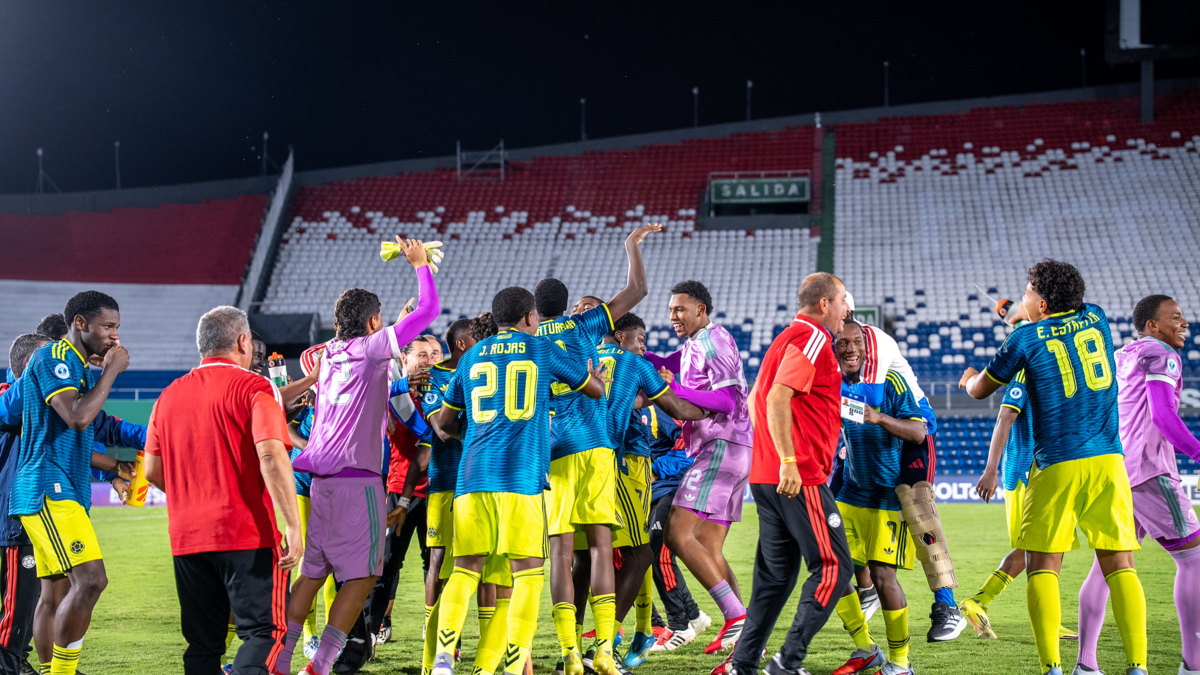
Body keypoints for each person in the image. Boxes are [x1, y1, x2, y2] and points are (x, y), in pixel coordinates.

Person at [960, 259, 1146, 675]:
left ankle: (1053, 669)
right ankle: (1137, 667)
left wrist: (969, 377)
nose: (1022, 296)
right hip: (1109, 461)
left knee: (1043, 566)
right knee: (1120, 564)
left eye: (1027, 292)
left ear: (1042, 303)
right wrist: (1023, 312)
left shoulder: (1023, 340)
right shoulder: (1095, 317)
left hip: (1057, 463)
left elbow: (979, 391)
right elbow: (1054, 324)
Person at [274, 238, 440, 675]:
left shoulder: (327, 355)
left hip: (320, 479)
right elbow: (428, 313)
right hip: (357, 479)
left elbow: (375, 385)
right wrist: (420, 265)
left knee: (313, 572)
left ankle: (282, 659)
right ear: (372, 322)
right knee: (365, 574)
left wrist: (396, 324)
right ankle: (322, 664)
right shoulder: (371, 349)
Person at [431, 286, 606, 675]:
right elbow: (594, 391)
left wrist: (477, 432)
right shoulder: (543, 350)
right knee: (528, 572)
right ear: (530, 317)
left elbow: (444, 423)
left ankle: (444, 657)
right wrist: (596, 378)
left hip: (472, 478)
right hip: (522, 479)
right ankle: (512, 667)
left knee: (465, 569)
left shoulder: (472, 355)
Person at [141, 306, 302, 675]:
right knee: (265, 633)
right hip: (246, 534)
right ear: (243, 341)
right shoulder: (256, 387)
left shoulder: (167, 396)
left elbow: (151, 470)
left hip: (187, 539)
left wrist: (191, 496)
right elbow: (272, 457)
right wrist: (293, 526)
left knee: (203, 644)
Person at [533, 223, 660, 675]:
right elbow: (639, 289)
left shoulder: (528, 343)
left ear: (534, 309)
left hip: (554, 454)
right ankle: (604, 652)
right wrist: (631, 246)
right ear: (567, 304)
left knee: (563, 555)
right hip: (599, 449)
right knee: (604, 549)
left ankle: (570, 654)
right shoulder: (586, 323)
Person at [728, 273, 853, 675]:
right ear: (824, 305)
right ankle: (787, 661)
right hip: (798, 477)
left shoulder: (783, 339)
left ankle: (744, 663)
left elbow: (755, 398)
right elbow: (779, 396)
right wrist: (788, 460)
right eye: (843, 301)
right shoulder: (813, 339)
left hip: (766, 478)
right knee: (835, 567)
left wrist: (770, 458)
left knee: (775, 578)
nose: (847, 309)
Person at [1074, 294, 1200, 675]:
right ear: (1152, 325)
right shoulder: (1163, 356)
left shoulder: (1122, 355)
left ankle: (1087, 664)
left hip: (1116, 470)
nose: (1184, 324)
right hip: (1150, 471)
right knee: (1194, 559)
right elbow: (1163, 416)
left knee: (1108, 567)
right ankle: (1193, 665)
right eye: (1175, 317)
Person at [9, 291, 129, 675]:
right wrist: (110, 371)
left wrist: (114, 469)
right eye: (108, 326)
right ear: (80, 323)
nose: (114, 336)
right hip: (48, 487)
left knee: (54, 592)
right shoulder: (54, 357)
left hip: (58, 487)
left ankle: (50, 670)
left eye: (117, 328)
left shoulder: (75, 366)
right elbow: (77, 417)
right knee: (92, 579)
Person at [843, 294, 965, 642]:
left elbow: (872, 403)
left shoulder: (874, 341)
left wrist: (839, 407)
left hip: (913, 431)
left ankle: (948, 607)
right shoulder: (829, 351)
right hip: (868, 438)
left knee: (919, 510)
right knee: (836, 510)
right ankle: (866, 592)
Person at [588, 312, 706, 668]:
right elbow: (678, 407)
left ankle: (588, 646)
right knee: (640, 554)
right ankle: (608, 646)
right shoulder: (634, 366)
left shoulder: (584, 358)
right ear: (621, 336)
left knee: (588, 557)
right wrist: (720, 407)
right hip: (621, 464)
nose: (644, 348)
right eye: (640, 341)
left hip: (576, 466)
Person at [960, 306, 1077, 643]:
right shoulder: (1027, 371)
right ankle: (991, 605)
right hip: (1027, 471)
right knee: (1041, 550)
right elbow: (1004, 418)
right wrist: (990, 471)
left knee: (1046, 549)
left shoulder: (1045, 364)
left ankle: (981, 603)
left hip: (1045, 468)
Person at [649, 280, 753, 659]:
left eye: (680, 309)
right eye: (671, 309)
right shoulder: (694, 346)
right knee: (708, 547)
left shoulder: (713, 340)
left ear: (701, 310)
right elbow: (665, 375)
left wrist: (675, 388)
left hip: (721, 445)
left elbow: (726, 401)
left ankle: (735, 615)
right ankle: (744, 639)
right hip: (731, 446)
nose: (673, 315)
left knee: (677, 532)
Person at [831, 320, 928, 675]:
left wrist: (879, 418)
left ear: (867, 347)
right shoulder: (833, 383)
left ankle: (901, 663)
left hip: (888, 496)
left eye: (857, 342)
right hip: (852, 491)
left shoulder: (891, 381)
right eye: (842, 343)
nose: (851, 348)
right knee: (834, 570)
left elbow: (919, 432)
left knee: (884, 577)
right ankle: (865, 647)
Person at [418, 315, 510, 675]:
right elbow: (440, 429)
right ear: (462, 344)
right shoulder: (435, 378)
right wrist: (486, 434)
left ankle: (491, 649)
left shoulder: (486, 368)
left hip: (486, 479)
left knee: (488, 567)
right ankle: (437, 651)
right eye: (477, 340)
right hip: (447, 480)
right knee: (440, 562)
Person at [641, 412, 709, 654]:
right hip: (651, 492)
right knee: (645, 556)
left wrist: (655, 470)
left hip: (671, 488)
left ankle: (680, 626)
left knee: (659, 555)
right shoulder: (629, 404)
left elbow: (689, 445)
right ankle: (693, 615)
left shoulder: (658, 408)